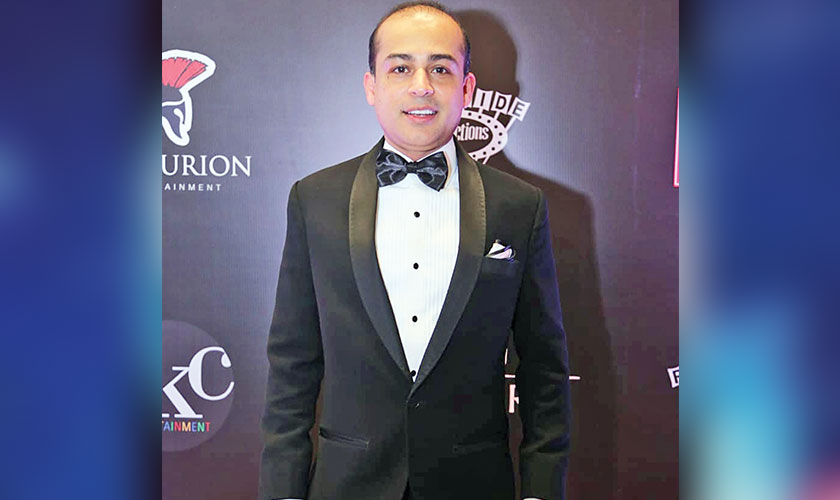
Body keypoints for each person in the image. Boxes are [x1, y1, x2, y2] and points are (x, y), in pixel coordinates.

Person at [259, 2, 570, 499]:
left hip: (473, 485)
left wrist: (540, 491)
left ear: (466, 89)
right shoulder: (314, 200)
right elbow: (292, 365)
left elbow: (543, 370)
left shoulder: (519, 207)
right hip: (347, 486)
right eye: (400, 68)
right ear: (372, 86)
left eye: (440, 69)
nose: (421, 86)